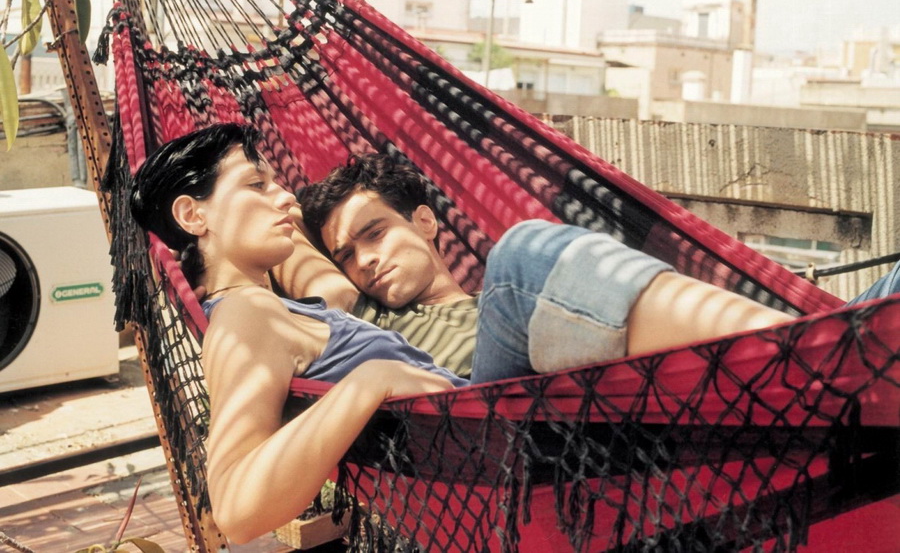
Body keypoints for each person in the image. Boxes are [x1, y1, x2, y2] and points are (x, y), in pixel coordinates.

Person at [130, 124, 467, 543]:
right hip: (504, 443)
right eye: (257, 184)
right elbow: (235, 510)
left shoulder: (269, 306)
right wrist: (372, 380)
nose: (287, 198)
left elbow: (321, 273)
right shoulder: (247, 313)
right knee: (521, 249)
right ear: (193, 215)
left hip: (492, 438)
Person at [293, 153, 795, 382]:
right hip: (479, 417)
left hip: (597, 393)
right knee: (520, 254)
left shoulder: (516, 303)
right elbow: (279, 233)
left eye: (375, 233)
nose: (365, 261)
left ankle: (803, 344)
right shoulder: (365, 321)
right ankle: (795, 349)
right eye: (346, 255)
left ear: (424, 221)